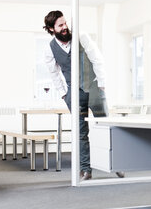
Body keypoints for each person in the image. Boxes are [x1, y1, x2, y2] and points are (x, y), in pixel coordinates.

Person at [43, 10, 124, 181]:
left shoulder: (81, 36)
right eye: (60, 25)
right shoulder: (50, 49)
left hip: (94, 87)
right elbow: (54, 74)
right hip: (73, 92)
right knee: (80, 133)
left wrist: (101, 85)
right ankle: (86, 170)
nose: (65, 27)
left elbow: (97, 59)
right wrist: (65, 94)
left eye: (65, 23)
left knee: (106, 127)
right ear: (52, 29)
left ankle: (117, 164)